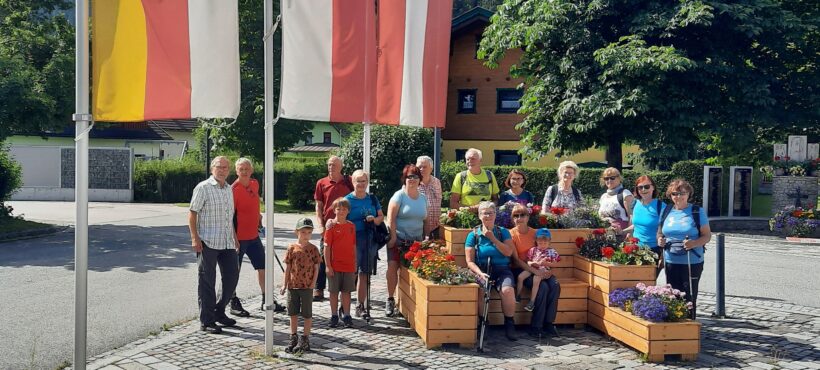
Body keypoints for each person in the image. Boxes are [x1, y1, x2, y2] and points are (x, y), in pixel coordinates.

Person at [188, 156, 240, 334]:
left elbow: (229, 217)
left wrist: (234, 237)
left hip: (226, 242)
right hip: (207, 242)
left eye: (226, 167)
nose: (223, 170)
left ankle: (219, 311)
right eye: (219, 167)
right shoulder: (203, 188)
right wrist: (195, 238)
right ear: (212, 168)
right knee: (207, 282)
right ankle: (207, 321)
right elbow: (192, 214)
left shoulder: (228, 189)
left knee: (232, 278)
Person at [229, 158, 285, 317]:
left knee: (263, 267)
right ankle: (233, 301)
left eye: (247, 168)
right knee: (234, 270)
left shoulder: (254, 184)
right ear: (236, 170)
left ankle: (267, 300)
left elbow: (254, 206)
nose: (244, 171)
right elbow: (230, 216)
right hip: (239, 238)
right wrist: (233, 238)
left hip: (254, 236)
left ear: (251, 170)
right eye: (241, 169)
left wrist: (258, 219)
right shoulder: (233, 189)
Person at [657, 179, 711, 319]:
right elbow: (660, 232)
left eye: (682, 193)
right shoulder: (667, 210)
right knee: (673, 294)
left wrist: (694, 243)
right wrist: (660, 240)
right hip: (670, 260)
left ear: (688, 194)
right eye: (674, 193)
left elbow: (707, 236)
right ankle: (675, 324)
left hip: (691, 261)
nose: (678, 197)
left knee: (689, 295)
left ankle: (689, 326)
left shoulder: (696, 211)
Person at [465, 201, 518, 341]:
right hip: (481, 269)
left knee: (507, 290)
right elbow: (469, 261)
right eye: (484, 213)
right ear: (479, 215)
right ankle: (484, 322)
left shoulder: (503, 232)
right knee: (482, 290)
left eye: (490, 212)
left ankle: (509, 323)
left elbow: (508, 252)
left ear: (495, 215)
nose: (487, 215)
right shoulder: (473, 235)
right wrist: (480, 273)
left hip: (502, 269)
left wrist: (492, 238)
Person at [508, 205, 560, 337]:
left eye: (522, 215)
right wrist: (535, 271)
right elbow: (516, 260)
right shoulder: (510, 234)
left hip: (541, 268)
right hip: (521, 270)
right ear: (512, 218)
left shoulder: (535, 233)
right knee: (542, 287)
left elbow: (547, 251)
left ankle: (548, 323)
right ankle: (536, 326)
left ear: (528, 217)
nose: (519, 218)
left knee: (554, 285)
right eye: (516, 215)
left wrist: (549, 270)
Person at [385, 164, 428, 317]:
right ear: (404, 179)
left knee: (414, 272)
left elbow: (426, 221)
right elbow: (391, 218)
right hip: (398, 239)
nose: (412, 179)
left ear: (419, 179)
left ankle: (409, 304)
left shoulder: (423, 198)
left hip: (416, 241)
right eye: (409, 177)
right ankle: (390, 299)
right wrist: (393, 238)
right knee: (392, 268)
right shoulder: (399, 196)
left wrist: (427, 239)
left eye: (415, 176)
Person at [344, 170, 385, 318]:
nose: (361, 184)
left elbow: (380, 216)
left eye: (363, 181)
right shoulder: (347, 200)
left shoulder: (372, 199)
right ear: (352, 182)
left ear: (367, 182)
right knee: (351, 272)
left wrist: (373, 220)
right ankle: (345, 305)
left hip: (369, 238)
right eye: (358, 181)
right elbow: (340, 219)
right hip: (352, 240)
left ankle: (360, 305)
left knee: (365, 272)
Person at [313, 156, 354, 302]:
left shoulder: (349, 182)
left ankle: (345, 286)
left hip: (344, 225)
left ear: (341, 167)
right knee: (323, 256)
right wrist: (320, 225)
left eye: (335, 165)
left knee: (344, 253)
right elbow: (318, 205)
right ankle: (319, 288)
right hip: (328, 226)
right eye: (329, 165)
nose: (331, 167)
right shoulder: (321, 183)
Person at [281, 218, 322, 353]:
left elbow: (316, 268)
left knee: (306, 313)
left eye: (309, 232)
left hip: (307, 286)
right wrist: (284, 284)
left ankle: (305, 339)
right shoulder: (291, 248)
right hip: (293, 286)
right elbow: (287, 268)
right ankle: (293, 337)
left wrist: (313, 284)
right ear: (296, 232)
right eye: (303, 232)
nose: (306, 235)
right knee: (293, 312)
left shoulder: (313, 249)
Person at [623, 175, 665, 277]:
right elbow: (635, 225)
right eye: (640, 187)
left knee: (648, 283)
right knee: (633, 281)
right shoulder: (635, 204)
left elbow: (666, 231)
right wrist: (621, 231)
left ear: (653, 187)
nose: (643, 190)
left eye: (646, 187)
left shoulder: (661, 206)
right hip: (636, 249)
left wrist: (663, 257)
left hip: (653, 251)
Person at [324, 198, 357, 328]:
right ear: (334, 210)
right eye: (339, 209)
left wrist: (355, 263)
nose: (341, 212)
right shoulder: (331, 227)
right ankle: (333, 315)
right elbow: (327, 247)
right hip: (334, 265)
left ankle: (347, 315)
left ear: (348, 211)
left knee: (346, 292)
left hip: (348, 265)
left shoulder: (351, 226)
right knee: (333, 292)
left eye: (344, 209)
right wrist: (328, 265)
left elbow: (354, 245)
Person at [515, 228, 559, 312]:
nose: (542, 245)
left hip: (544, 270)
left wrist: (546, 264)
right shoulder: (533, 250)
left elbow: (555, 264)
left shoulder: (552, 252)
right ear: (536, 241)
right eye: (540, 243)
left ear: (549, 241)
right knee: (520, 277)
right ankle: (518, 295)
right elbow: (528, 260)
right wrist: (532, 263)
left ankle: (531, 302)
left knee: (536, 280)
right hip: (533, 268)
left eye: (545, 243)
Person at [598, 167, 633, 234]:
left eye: (612, 178)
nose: (609, 180)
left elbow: (631, 216)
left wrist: (628, 234)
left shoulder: (625, 194)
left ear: (619, 178)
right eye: (606, 178)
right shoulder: (603, 196)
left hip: (621, 234)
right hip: (604, 234)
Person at [416, 155, 442, 238]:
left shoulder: (437, 182)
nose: (421, 169)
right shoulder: (412, 183)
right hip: (418, 228)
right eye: (419, 167)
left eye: (424, 167)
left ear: (431, 168)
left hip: (436, 228)